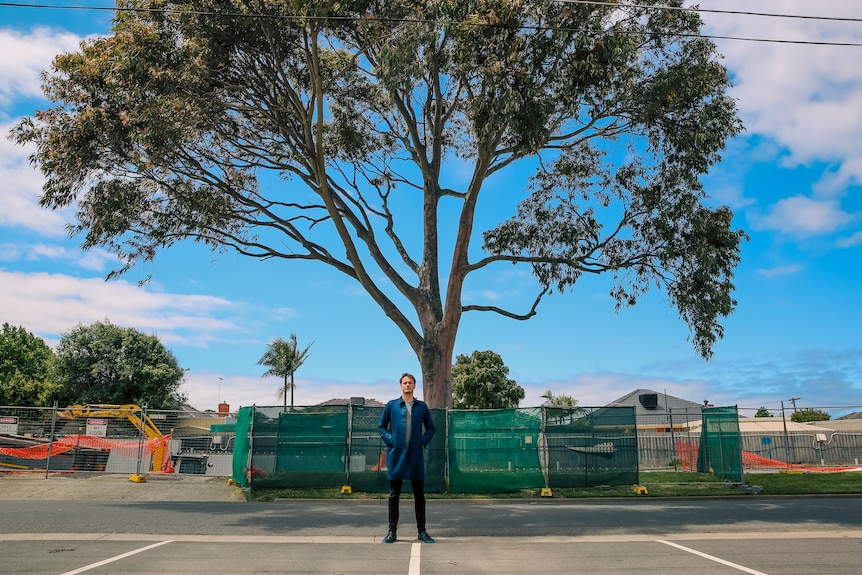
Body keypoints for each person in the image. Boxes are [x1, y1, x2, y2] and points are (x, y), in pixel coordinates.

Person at [377, 372, 436, 544]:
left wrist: (421, 443)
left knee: (419, 495)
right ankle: (391, 531)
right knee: (394, 495)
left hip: (416, 456)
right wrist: (391, 441)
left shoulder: (421, 406)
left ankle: (422, 531)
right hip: (397, 455)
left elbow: (431, 428)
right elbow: (381, 427)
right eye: (404, 383)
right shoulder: (392, 405)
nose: (407, 385)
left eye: (410, 382)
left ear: (414, 385)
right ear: (400, 385)